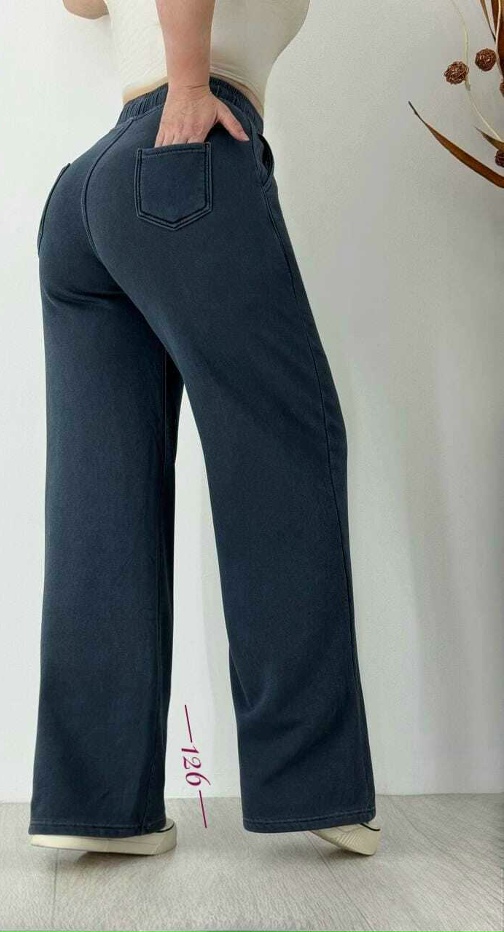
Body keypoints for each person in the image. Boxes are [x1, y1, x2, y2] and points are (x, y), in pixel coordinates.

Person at [28, 0, 381, 858]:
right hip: (187, 156)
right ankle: (311, 786)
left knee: (103, 496)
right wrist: (189, 81)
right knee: (284, 452)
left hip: (87, 194)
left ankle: (91, 801)